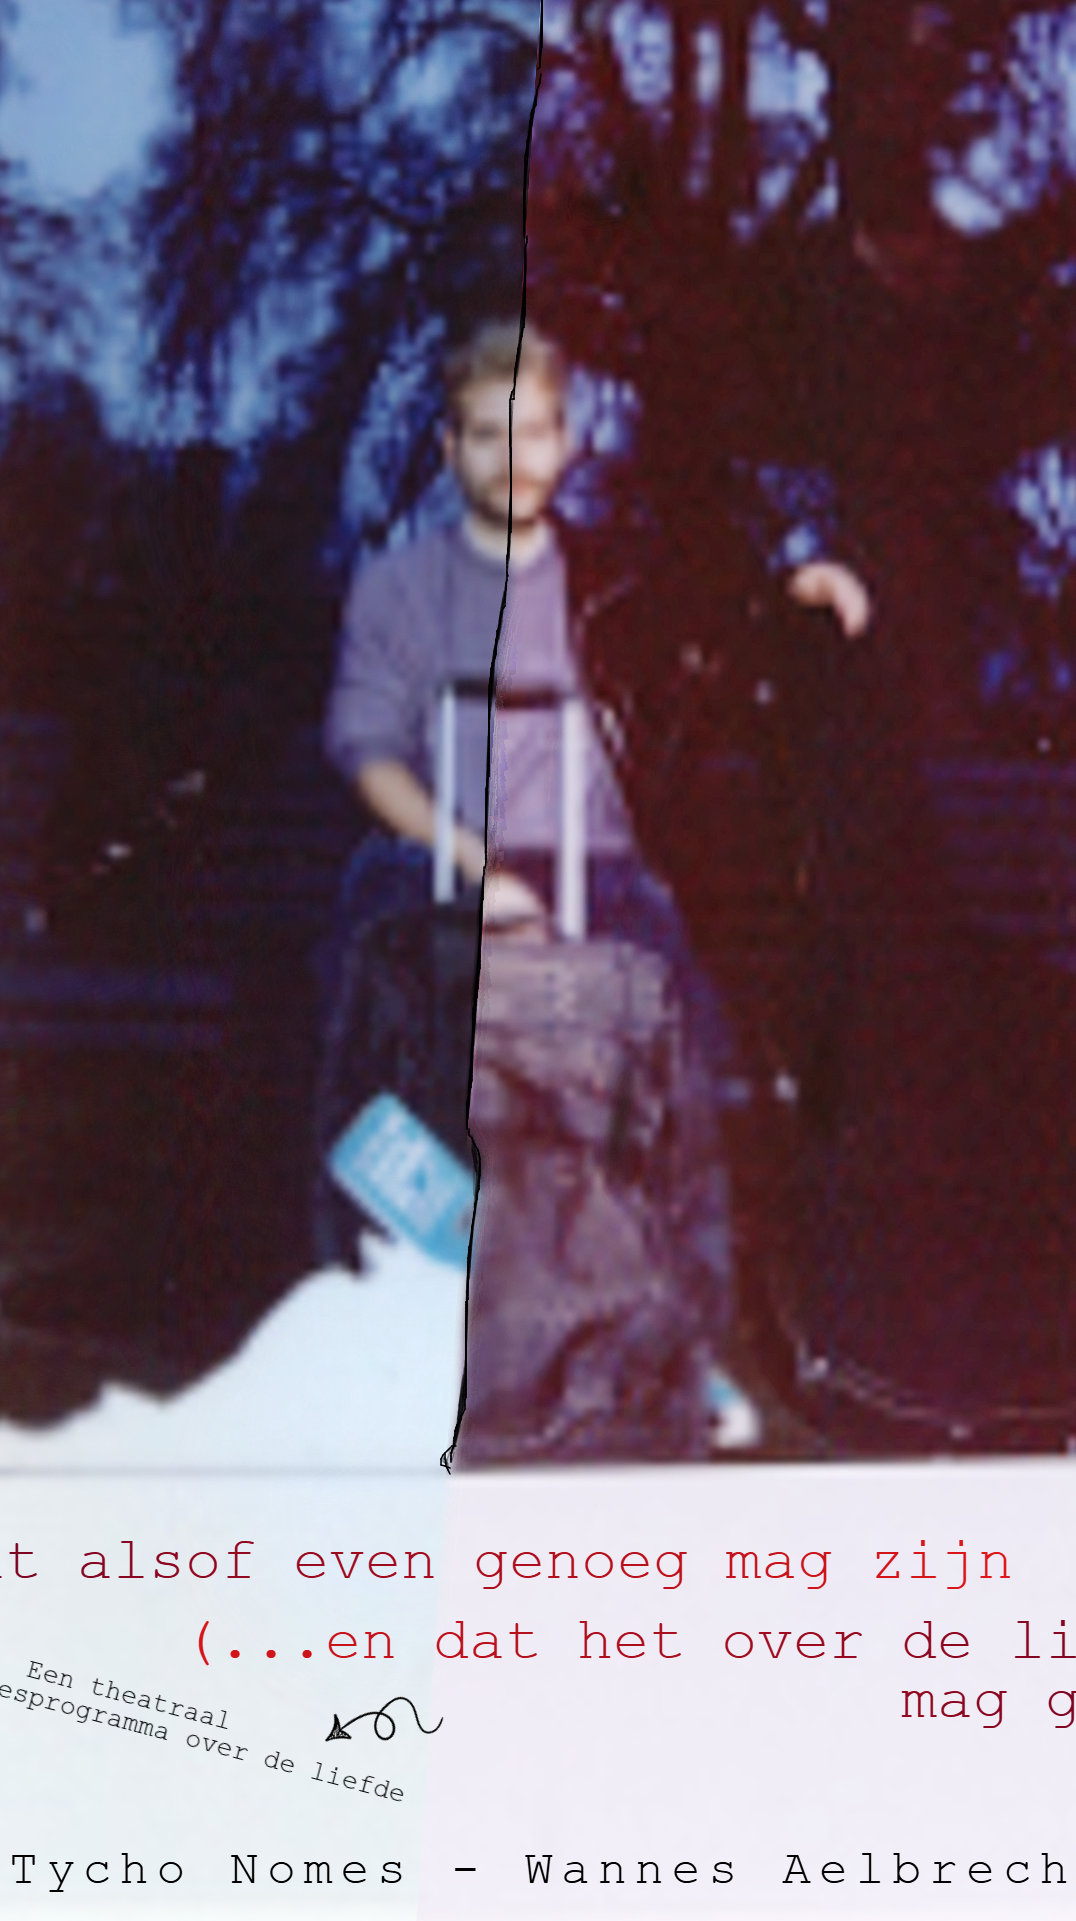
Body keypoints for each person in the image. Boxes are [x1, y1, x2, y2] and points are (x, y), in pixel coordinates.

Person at [321, 320, 872, 1444]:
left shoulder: (616, 582)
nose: (512, 458)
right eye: (486, 435)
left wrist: (798, 583)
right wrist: (474, 873)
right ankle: (429, 1323)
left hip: (603, 874)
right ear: (448, 448)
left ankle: (674, 1346)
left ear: (567, 443)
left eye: (534, 432)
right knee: (381, 1083)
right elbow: (368, 755)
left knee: (677, 1066)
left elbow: (721, 626)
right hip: (434, 865)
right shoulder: (399, 588)